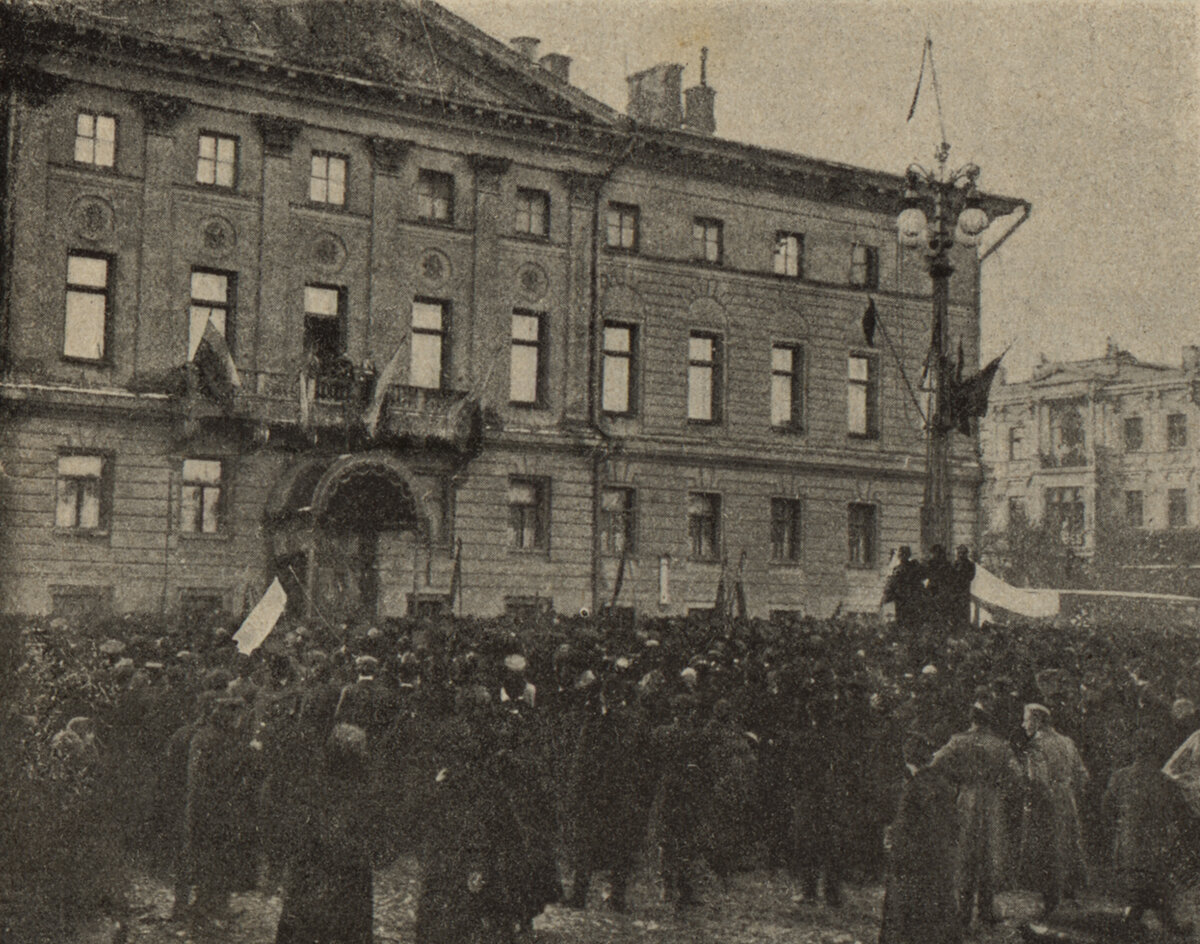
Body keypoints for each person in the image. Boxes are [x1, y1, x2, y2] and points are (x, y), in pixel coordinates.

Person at [931, 701, 1022, 928]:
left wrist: (956, 778)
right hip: (992, 801)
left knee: (965, 853)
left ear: (972, 719)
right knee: (989, 854)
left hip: (967, 798)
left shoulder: (958, 741)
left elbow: (935, 763)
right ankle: (985, 910)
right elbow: (1017, 776)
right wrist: (1002, 787)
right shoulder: (1001, 745)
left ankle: (962, 912)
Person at [1102, 727, 1194, 938]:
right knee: (1154, 887)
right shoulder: (1165, 782)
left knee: (1142, 888)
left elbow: (1107, 808)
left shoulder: (1120, 777)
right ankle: (1134, 922)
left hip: (1128, 843)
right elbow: (1182, 814)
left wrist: (1120, 824)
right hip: (1155, 846)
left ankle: (1136, 921)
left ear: (1135, 751)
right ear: (1156, 752)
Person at [879, 733, 962, 944]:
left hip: (914, 861)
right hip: (939, 859)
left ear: (908, 760)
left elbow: (904, 827)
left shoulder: (913, 788)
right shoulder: (943, 785)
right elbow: (954, 824)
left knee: (905, 912)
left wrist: (894, 849)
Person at [1018, 703, 1089, 920]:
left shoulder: (1036, 746)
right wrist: (1068, 790)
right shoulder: (1067, 742)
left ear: (1037, 721)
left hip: (1046, 802)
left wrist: (1035, 801)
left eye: (1027, 719)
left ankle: (1051, 901)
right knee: (1067, 842)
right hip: (1067, 799)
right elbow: (1083, 774)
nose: (1024, 724)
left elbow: (1036, 780)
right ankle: (1068, 893)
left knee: (1047, 848)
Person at [882, 546, 927, 637]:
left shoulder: (901, 569)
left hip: (905, 601)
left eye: (903, 555)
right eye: (900, 555)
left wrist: (886, 598)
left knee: (905, 624)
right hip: (906, 601)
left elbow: (891, 585)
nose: (901, 557)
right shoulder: (913, 567)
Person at [950, 546, 976, 631]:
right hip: (955, 592)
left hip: (964, 591)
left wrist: (961, 571)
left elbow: (970, 577)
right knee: (955, 612)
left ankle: (964, 628)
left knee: (964, 612)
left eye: (962, 553)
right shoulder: (955, 564)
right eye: (959, 553)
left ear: (966, 554)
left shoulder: (970, 565)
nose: (960, 555)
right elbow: (950, 576)